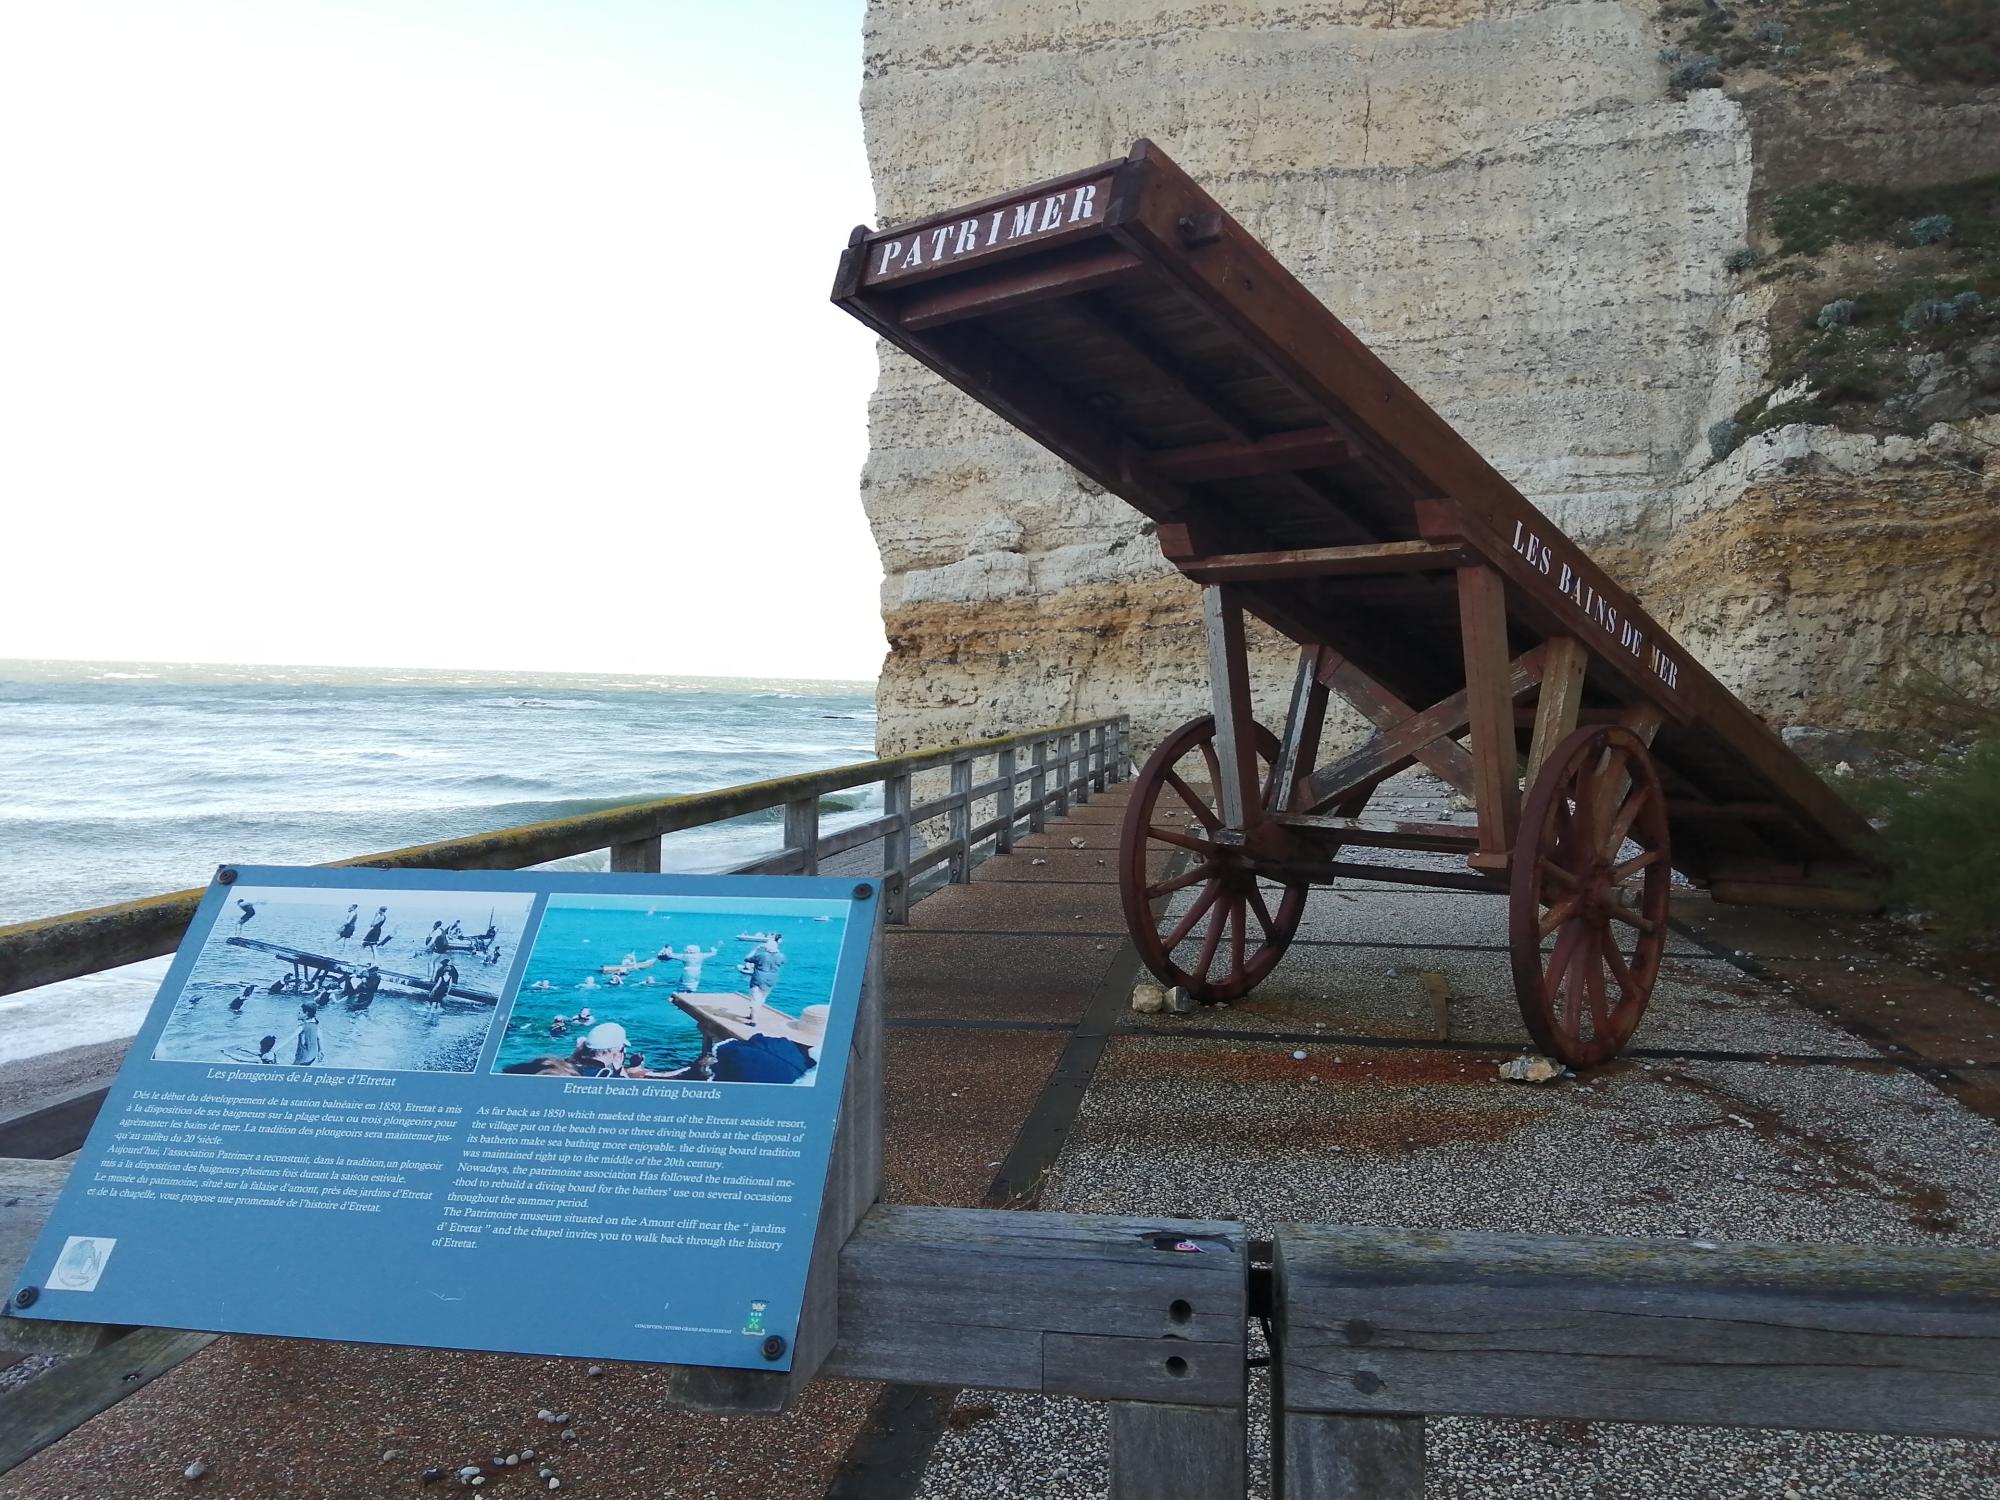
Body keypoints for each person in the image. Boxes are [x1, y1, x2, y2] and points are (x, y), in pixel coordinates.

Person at [744, 934, 785, 1009]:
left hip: (758, 979)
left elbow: (747, 958)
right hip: (771, 980)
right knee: (761, 999)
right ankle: (753, 1013)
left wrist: (756, 949)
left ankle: (754, 1019)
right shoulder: (781, 956)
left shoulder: (761, 956)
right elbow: (781, 961)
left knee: (755, 999)